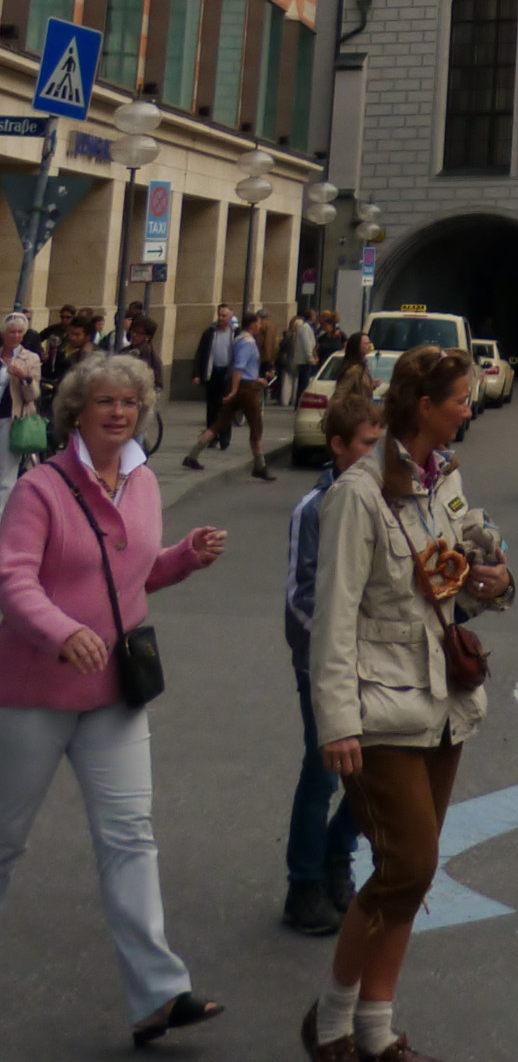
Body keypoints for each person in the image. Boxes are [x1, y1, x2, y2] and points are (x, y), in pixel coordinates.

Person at [0, 350, 227, 1045]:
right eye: (105, 401)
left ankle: (158, 994)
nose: (119, 411)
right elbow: (12, 581)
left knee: (130, 837)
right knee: (3, 842)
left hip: (114, 693)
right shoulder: (40, 489)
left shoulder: (143, 481)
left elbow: (126, 577)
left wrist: (182, 556)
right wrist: (62, 631)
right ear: (76, 411)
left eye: (129, 402)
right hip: (33, 693)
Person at [307, 347, 511, 1062]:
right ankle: (332, 1019)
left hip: (441, 701)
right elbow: (331, 618)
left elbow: (458, 569)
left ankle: (375, 1027)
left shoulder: (441, 478)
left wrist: (492, 578)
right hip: (378, 710)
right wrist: (337, 721)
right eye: (459, 398)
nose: (468, 407)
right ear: (423, 406)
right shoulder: (357, 495)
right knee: (408, 863)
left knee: (410, 871)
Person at [283, 383, 383, 934]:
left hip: (375, 664)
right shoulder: (315, 508)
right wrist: (328, 663)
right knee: (323, 773)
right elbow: (301, 600)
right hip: (324, 668)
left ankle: (336, 855)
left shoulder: (379, 499)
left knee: (372, 774)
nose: (377, 453)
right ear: (339, 446)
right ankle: (303, 885)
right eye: (368, 444)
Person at [181, 310, 275, 482]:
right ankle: (260, 465)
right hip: (245, 389)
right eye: (259, 323)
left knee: (220, 423)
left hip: (242, 384)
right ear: (253, 324)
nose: (260, 326)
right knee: (256, 425)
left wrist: (255, 378)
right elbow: (239, 367)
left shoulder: (238, 339)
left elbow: (242, 367)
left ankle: (193, 455)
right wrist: (234, 389)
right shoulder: (247, 342)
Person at [1, 313, 43, 515]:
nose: (16, 335)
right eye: (11, 332)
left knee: (7, 471)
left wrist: (24, 377)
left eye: (20, 332)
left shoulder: (30, 358)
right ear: (3, 333)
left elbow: (33, 394)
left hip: (11, 418)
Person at [190, 305, 236, 446]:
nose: (221, 318)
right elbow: (200, 353)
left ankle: (224, 437)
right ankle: (211, 437)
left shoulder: (235, 334)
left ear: (230, 318)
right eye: (220, 315)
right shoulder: (210, 333)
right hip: (212, 372)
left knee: (225, 407)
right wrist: (196, 373)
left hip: (227, 374)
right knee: (211, 407)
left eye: (224, 316)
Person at [281, 311, 318, 409]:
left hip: (303, 359)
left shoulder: (306, 327)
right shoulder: (305, 328)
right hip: (304, 360)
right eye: (314, 315)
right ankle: (299, 403)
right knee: (303, 383)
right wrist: (310, 358)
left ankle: (298, 403)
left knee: (302, 383)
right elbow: (307, 345)